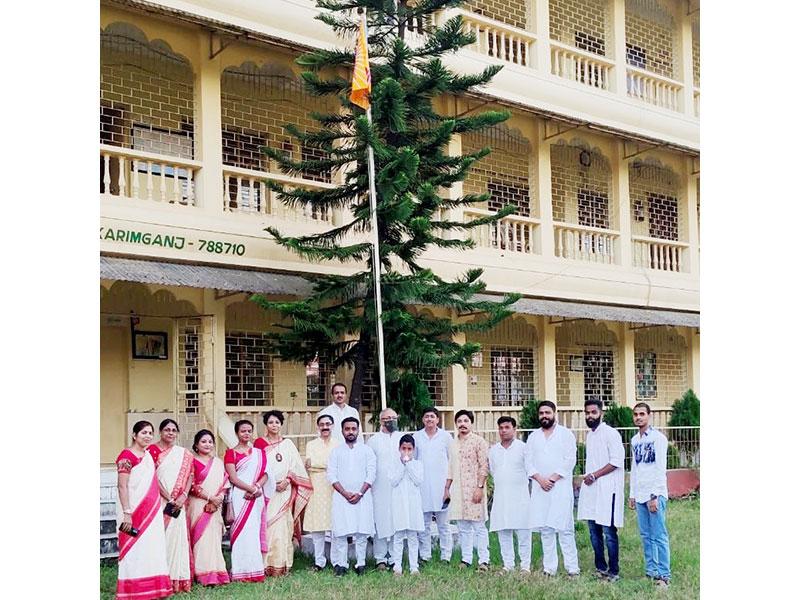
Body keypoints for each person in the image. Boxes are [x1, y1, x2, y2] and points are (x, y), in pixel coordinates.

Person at [115, 420, 172, 600]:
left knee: (152, 548)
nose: (147, 436)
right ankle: (132, 589)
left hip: (152, 511)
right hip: (132, 511)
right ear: (134, 435)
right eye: (143, 433)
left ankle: (154, 588)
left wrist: (167, 497)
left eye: (150, 433)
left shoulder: (148, 456)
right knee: (133, 550)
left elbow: (153, 481)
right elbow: (122, 486)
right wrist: (127, 513)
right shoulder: (126, 456)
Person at [254, 410, 313, 576]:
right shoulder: (259, 443)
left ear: (281, 424)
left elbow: (295, 466)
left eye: (277, 422)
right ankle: (266, 564)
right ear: (266, 425)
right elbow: (258, 467)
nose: (274, 425)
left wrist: (287, 480)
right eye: (271, 422)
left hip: (285, 490)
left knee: (283, 527)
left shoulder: (287, 444)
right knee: (268, 526)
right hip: (268, 491)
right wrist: (273, 484)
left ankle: (282, 564)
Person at [525, 401, 579, 577]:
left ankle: (572, 569)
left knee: (564, 528)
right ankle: (549, 568)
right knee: (545, 529)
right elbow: (528, 462)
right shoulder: (533, 437)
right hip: (540, 488)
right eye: (541, 413)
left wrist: (553, 478)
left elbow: (570, 460)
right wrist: (540, 479)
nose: (544, 416)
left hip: (560, 488)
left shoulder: (565, 434)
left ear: (554, 413)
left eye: (547, 412)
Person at [577, 399, 625, 582]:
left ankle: (613, 571)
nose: (590, 416)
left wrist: (595, 475)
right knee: (593, 531)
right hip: (592, 490)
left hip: (607, 489)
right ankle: (600, 567)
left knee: (608, 532)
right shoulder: (590, 435)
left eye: (593, 412)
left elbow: (616, 461)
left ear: (601, 413)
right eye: (587, 413)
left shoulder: (611, 433)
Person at [224, 419, 273, 583]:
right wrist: (251, 489)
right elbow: (233, 478)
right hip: (240, 496)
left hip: (256, 496)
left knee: (253, 532)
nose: (246, 434)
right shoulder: (231, 453)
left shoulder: (259, 453)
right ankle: (240, 571)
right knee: (240, 533)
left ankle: (255, 570)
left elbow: (267, 474)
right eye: (243, 431)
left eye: (249, 431)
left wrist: (257, 487)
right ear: (237, 433)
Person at [327, 417, 377, 576]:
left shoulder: (367, 450)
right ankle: (341, 564)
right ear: (342, 431)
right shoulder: (336, 451)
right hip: (342, 497)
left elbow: (371, 473)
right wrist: (345, 493)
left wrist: (360, 493)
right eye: (347, 429)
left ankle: (361, 563)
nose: (350, 432)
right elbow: (332, 475)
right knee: (341, 532)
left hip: (363, 496)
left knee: (362, 532)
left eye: (353, 429)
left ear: (358, 430)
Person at [629, 402, 671, 588]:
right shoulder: (634, 440)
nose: (638, 417)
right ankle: (651, 571)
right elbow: (635, 468)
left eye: (642, 414)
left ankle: (664, 576)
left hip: (655, 494)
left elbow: (660, 468)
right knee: (646, 535)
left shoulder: (658, 438)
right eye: (636, 414)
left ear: (649, 416)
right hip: (640, 494)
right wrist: (632, 494)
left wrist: (654, 496)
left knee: (659, 535)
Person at [148, 419, 193, 593]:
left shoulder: (183, 453)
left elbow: (190, 475)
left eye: (174, 430)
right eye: (167, 429)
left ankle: (177, 579)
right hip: (159, 501)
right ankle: (160, 578)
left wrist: (183, 495)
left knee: (177, 538)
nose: (171, 433)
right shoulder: (151, 451)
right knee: (161, 538)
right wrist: (169, 497)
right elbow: (151, 477)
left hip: (178, 503)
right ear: (160, 432)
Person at [445, 409, 490, 571]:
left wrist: (479, 488)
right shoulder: (453, 444)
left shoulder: (479, 442)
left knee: (478, 526)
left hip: (474, 490)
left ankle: (484, 560)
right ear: (456, 424)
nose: (462, 424)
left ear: (471, 423)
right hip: (457, 491)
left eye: (466, 421)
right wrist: (447, 489)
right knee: (463, 527)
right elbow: (450, 467)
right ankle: (466, 559)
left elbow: (484, 466)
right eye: (459, 421)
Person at [488, 416, 532, 573]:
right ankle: (508, 565)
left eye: (507, 427)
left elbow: (529, 470)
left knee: (523, 531)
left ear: (515, 429)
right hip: (501, 496)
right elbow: (493, 471)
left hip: (520, 495)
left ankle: (525, 566)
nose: (503, 430)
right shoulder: (493, 451)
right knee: (503, 530)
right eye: (501, 428)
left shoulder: (523, 448)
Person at [187, 430, 230, 587]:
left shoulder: (218, 463)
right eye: (203, 441)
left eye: (210, 441)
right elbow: (190, 485)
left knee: (213, 538)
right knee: (200, 538)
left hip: (216, 505)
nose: (207, 444)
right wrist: (209, 498)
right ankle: (202, 573)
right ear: (196, 444)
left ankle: (217, 571)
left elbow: (225, 483)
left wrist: (217, 499)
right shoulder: (191, 461)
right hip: (198, 505)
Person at [413, 407, 453, 564]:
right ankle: (425, 556)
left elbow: (451, 461)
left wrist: (448, 487)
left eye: (432, 417)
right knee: (424, 525)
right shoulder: (417, 437)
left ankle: (446, 556)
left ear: (438, 419)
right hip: (422, 487)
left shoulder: (446, 437)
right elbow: (414, 461)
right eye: (426, 416)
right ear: (423, 420)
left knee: (444, 525)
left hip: (442, 487)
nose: (429, 419)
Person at [366, 407, 403, 570]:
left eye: (393, 417)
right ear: (381, 421)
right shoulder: (373, 441)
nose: (390, 421)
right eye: (387, 418)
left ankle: (395, 557)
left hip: (399, 487)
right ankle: (380, 558)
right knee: (380, 522)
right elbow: (369, 465)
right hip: (379, 487)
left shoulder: (403, 438)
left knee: (396, 521)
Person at [303, 414, 340, 571]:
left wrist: (320, 466)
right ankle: (319, 562)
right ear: (317, 427)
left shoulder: (339, 444)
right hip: (316, 487)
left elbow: (339, 466)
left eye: (328, 424)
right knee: (317, 528)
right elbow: (309, 465)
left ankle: (337, 561)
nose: (325, 427)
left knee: (335, 527)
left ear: (332, 426)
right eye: (322, 424)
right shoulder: (311, 445)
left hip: (335, 488)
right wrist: (327, 466)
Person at [389, 434, 425, 576]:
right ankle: (397, 566)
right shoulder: (393, 464)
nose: (406, 452)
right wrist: (402, 466)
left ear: (413, 449)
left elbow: (418, 481)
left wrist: (408, 465)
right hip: (398, 503)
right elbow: (393, 481)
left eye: (409, 449)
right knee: (398, 536)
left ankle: (414, 567)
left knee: (412, 536)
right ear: (399, 448)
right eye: (404, 448)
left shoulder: (418, 464)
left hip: (413, 504)